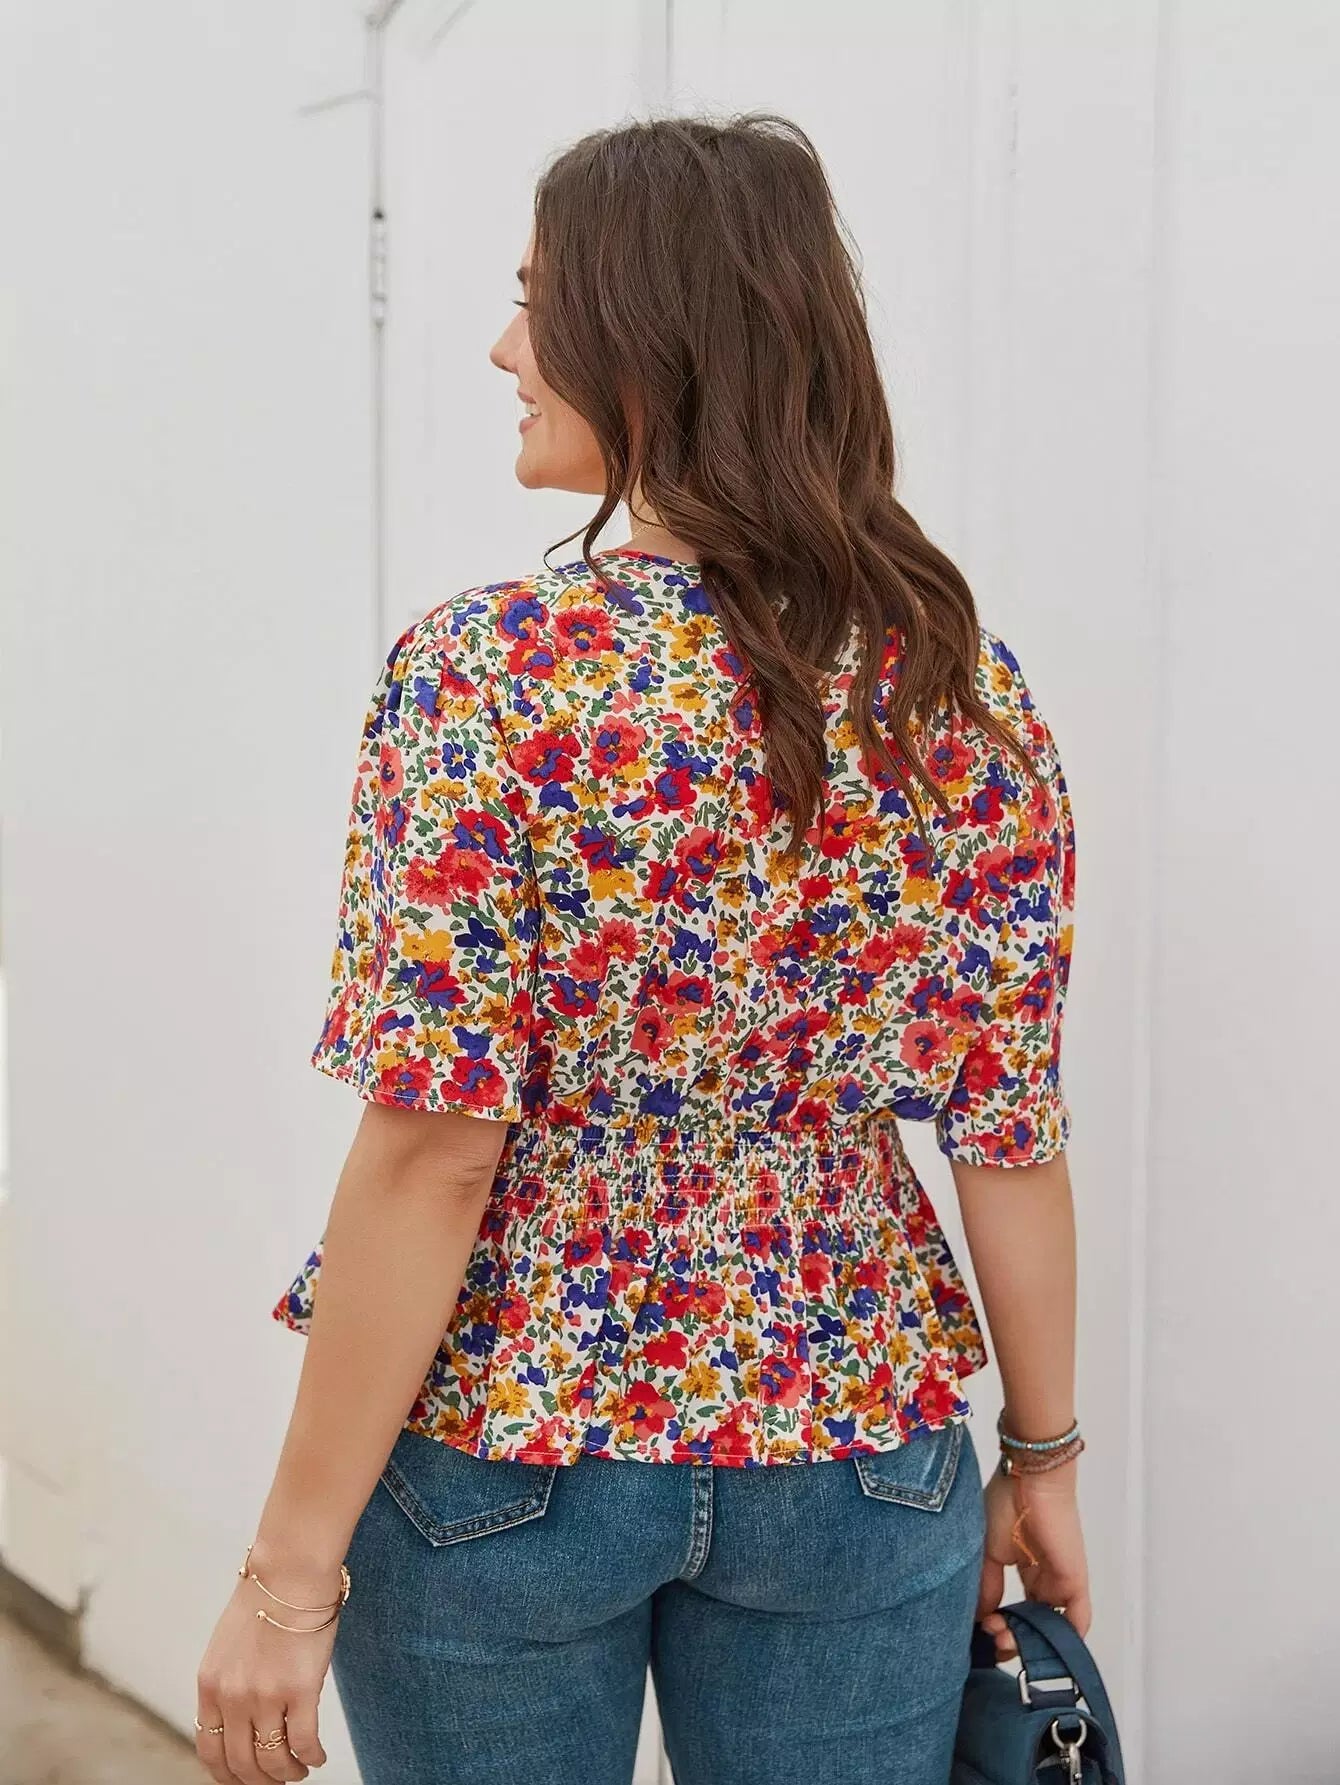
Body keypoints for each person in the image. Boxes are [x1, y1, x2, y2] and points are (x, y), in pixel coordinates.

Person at [194, 113, 1089, 1785]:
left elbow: (436, 1151)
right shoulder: (959, 690)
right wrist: (1045, 1458)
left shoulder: (488, 676)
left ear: (649, 341)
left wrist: (286, 1573)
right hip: (856, 1444)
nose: (503, 346)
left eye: (539, 303)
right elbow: (1010, 1139)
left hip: (508, 1443)